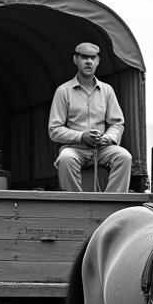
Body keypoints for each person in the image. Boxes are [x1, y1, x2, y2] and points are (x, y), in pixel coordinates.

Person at [48, 42, 132, 192]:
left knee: (124, 157)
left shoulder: (107, 91)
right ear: (75, 60)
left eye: (92, 58)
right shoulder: (63, 91)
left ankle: (112, 205)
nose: (89, 61)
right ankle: (75, 205)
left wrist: (107, 137)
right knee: (65, 158)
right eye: (84, 57)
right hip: (76, 148)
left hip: (102, 148)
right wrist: (81, 136)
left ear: (98, 61)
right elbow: (54, 129)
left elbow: (117, 124)